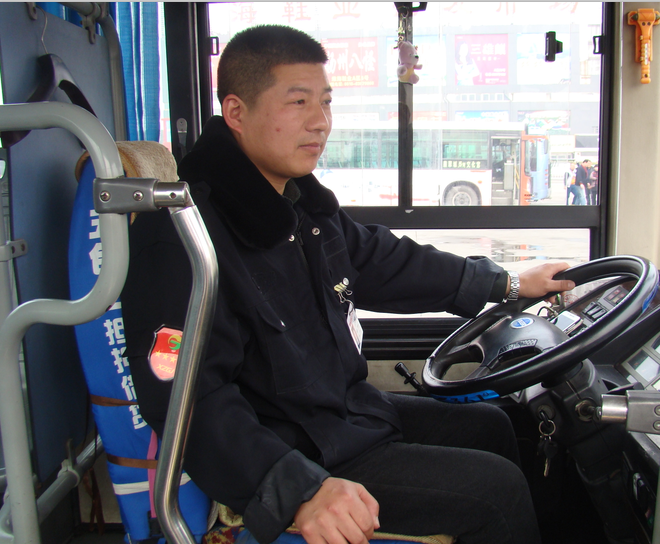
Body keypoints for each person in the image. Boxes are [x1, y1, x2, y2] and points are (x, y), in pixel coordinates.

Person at [121, 25, 575, 544]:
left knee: (494, 425)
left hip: (344, 418)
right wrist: (297, 489)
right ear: (237, 113)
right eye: (298, 102)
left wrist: (508, 283)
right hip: (295, 454)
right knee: (497, 491)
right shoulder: (186, 238)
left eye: (326, 102)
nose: (320, 121)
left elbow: (388, 262)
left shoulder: (300, 208)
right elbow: (187, 398)